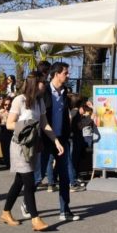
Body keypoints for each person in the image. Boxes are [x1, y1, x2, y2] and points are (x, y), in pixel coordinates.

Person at [1, 71, 64, 230]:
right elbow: (9, 124)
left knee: (19, 181)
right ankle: (36, 219)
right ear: (35, 84)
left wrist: (56, 141)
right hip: (19, 145)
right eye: (42, 82)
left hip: (33, 145)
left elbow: (44, 124)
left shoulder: (39, 101)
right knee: (29, 181)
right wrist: (27, 126)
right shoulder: (19, 100)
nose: (44, 85)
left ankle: (6, 212)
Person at [45, 63, 82, 221]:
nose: (68, 75)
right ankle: (28, 202)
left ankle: (64, 210)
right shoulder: (45, 91)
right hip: (46, 138)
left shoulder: (65, 91)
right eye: (65, 73)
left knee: (64, 175)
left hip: (62, 138)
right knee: (38, 176)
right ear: (56, 74)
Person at [0, 95, 14, 169]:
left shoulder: (13, 112)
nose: (7, 106)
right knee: (5, 144)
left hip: (12, 130)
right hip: (3, 130)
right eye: (5, 104)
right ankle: (7, 162)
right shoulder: (0, 112)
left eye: (9, 105)